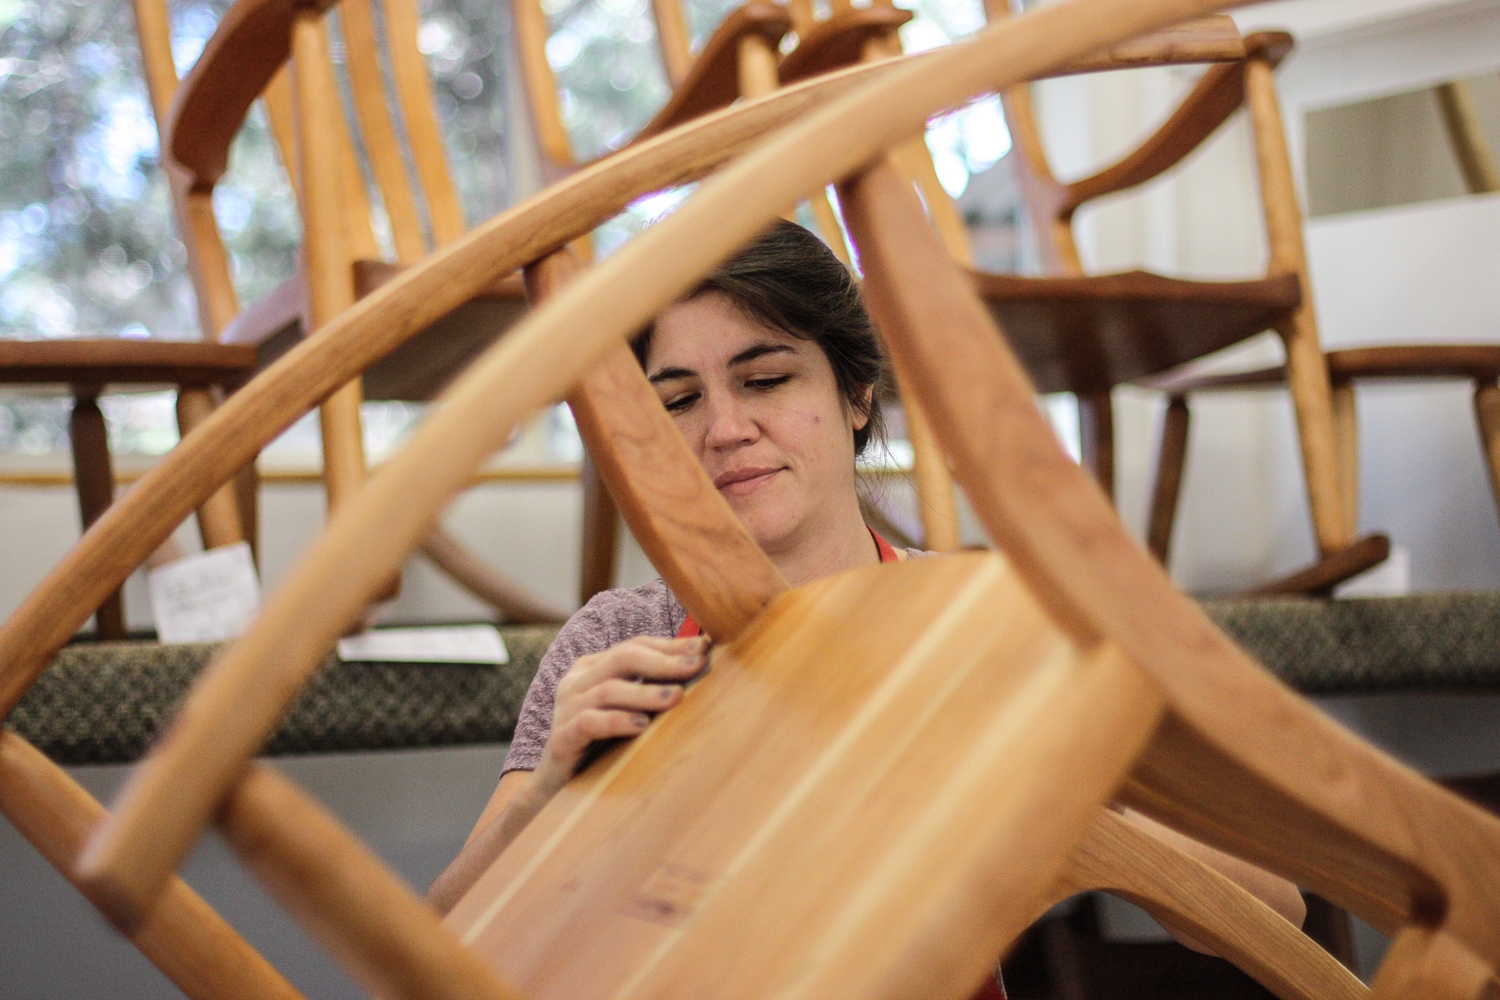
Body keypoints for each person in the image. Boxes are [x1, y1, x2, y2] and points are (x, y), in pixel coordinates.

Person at [427, 221, 1305, 978]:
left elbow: (1280, 911)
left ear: (856, 395)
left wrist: (1070, 791)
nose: (725, 429)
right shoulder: (618, 638)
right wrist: (548, 796)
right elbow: (440, 951)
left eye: (766, 379)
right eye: (681, 400)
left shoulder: (982, 618)